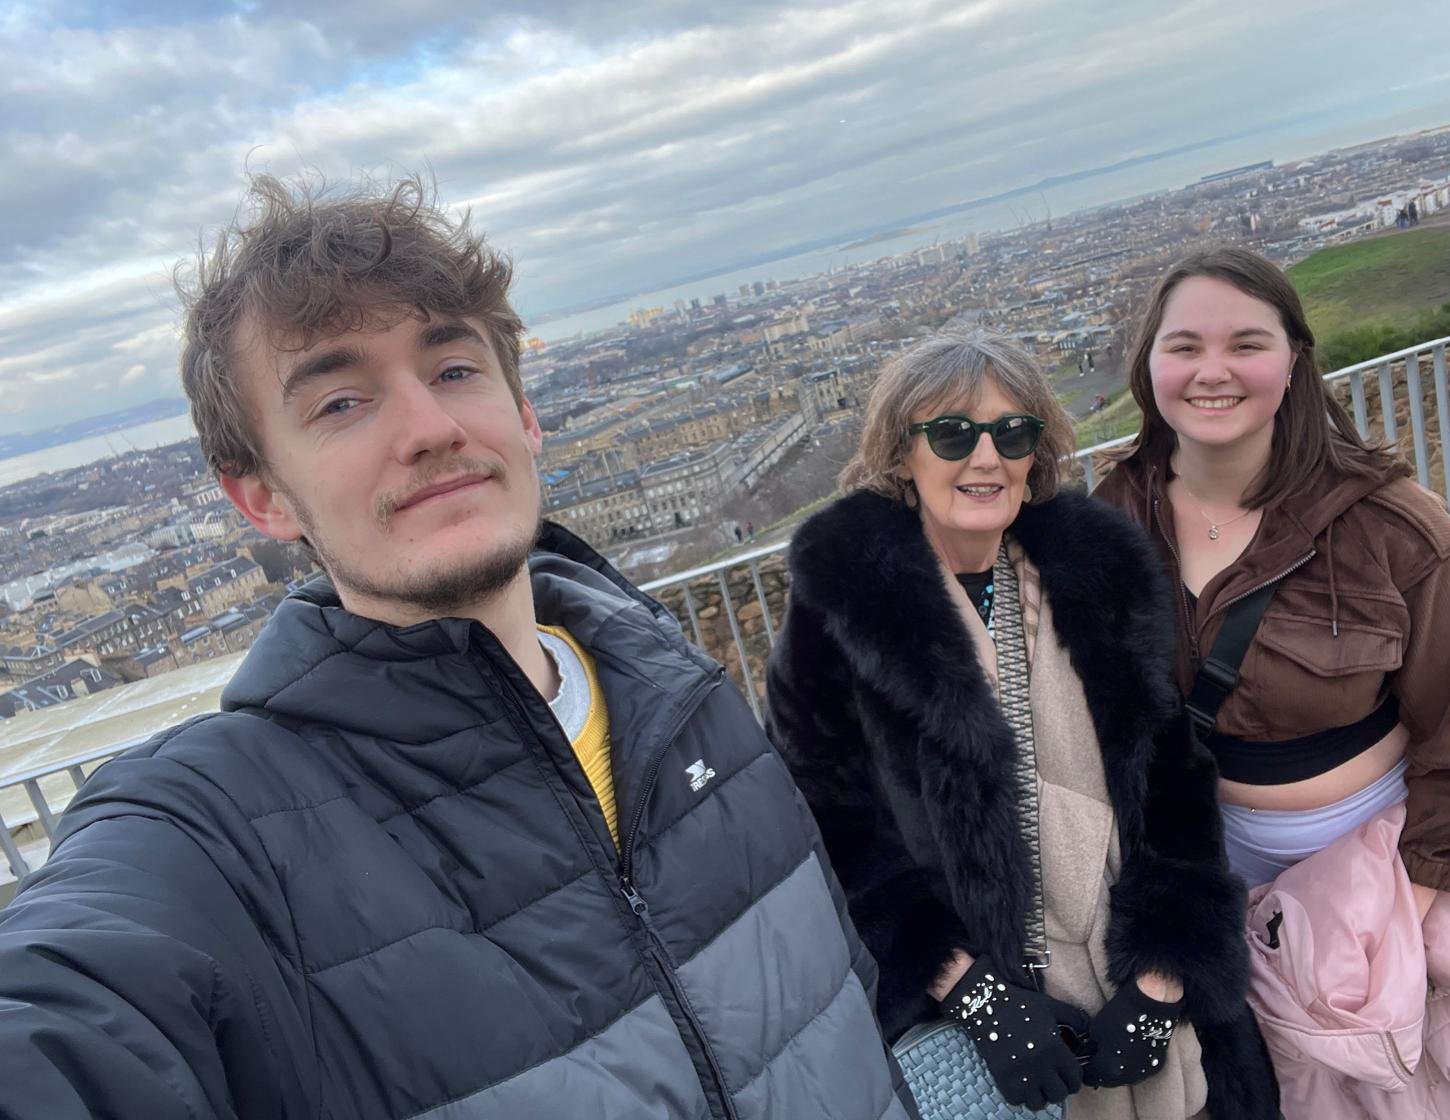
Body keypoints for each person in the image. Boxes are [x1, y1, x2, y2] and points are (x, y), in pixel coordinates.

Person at [0, 176, 917, 1120]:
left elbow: (842, 1006)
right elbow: (64, 1016)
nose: (430, 428)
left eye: (453, 370)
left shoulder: (685, 694)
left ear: (524, 415)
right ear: (262, 499)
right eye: (342, 403)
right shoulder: (213, 836)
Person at [765, 329, 1280, 1119]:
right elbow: (828, 834)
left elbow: (1173, 784)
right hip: (980, 1025)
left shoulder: (1100, 575)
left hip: (1152, 1006)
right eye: (951, 433)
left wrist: (1161, 979)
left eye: (1012, 432)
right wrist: (972, 995)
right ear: (901, 456)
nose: (986, 457)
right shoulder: (841, 614)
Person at [1092, 245, 1450, 905]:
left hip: (1393, 849)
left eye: (1246, 344)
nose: (1213, 372)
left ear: (1294, 359)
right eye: (1184, 347)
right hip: (1219, 860)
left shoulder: (1394, 529)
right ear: (1149, 365)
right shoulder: (1111, 523)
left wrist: (1407, 909)